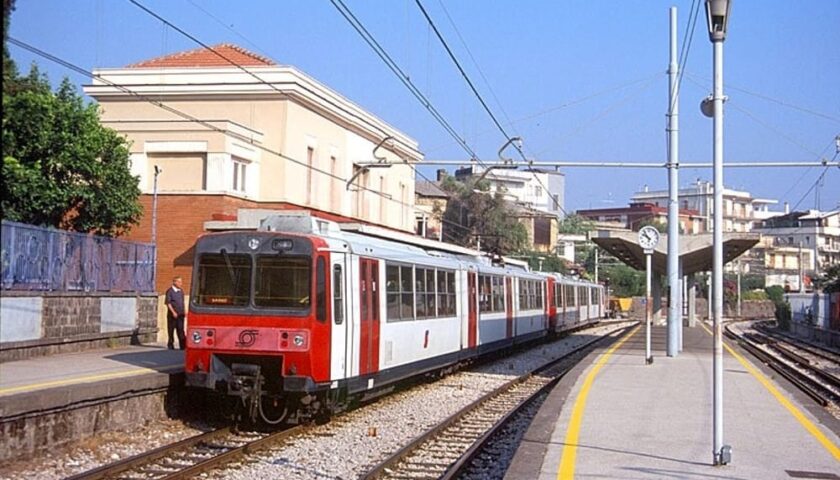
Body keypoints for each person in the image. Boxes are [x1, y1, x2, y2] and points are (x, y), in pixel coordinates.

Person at [165, 276, 187, 350]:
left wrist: (184, 311)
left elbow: (182, 302)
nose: (181, 283)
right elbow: (168, 303)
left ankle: (183, 345)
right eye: (179, 282)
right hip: (172, 315)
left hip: (180, 314)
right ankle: (170, 344)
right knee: (171, 330)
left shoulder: (181, 291)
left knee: (181, 329)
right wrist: (173, 312)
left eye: (181, 282)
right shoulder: (170, 291)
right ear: (174, 282)